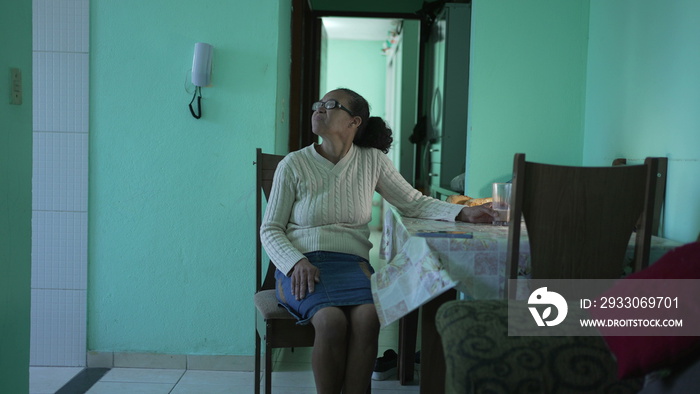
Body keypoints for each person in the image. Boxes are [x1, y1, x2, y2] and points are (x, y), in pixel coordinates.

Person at [260, 88, 496, 394]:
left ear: (354, 121)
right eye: (318, 104)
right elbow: (270, 228)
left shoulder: (372, 161)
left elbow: (413, 202)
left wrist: (463, 212)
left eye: (330, 105)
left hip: (350, 264)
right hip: (301, 266)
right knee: (331, 322)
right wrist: (295, 263)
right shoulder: (293, 164)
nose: (319, 109)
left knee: (370, 317)